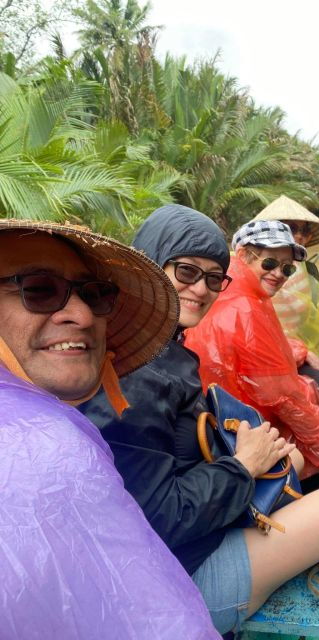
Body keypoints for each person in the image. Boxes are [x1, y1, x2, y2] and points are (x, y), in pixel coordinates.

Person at [82, 205, 319, 635]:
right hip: (168, 581)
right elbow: (159, 519)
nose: (201, 288)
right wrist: (243, 466)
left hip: (183, 514)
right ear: (147, 266)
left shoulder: (156, 346)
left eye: (213, 278)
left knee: (296, 461)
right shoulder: (141, 375)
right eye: (185, 272)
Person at [0, 219, 219, 639]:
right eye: (38, 289)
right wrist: (241, 469)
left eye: (94, 294)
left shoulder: (56, 420)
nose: (82, 314)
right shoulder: (48, 443)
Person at [186, 219, 319, 481]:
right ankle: (312, 488)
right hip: (239, 419)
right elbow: (282, 397)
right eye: (269, 263)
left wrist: (299, 350)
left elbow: (259, 350)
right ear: (243, 255)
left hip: (218, 401)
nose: (278, 274)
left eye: (287, 268)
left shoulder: (225, 285)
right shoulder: (247, 307)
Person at [254, 194, 319, 374]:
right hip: (263, 349)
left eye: (304, 231)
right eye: (291, 229)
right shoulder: (252, 265)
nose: (299, 236)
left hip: (299, 349)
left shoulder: (309, 270)